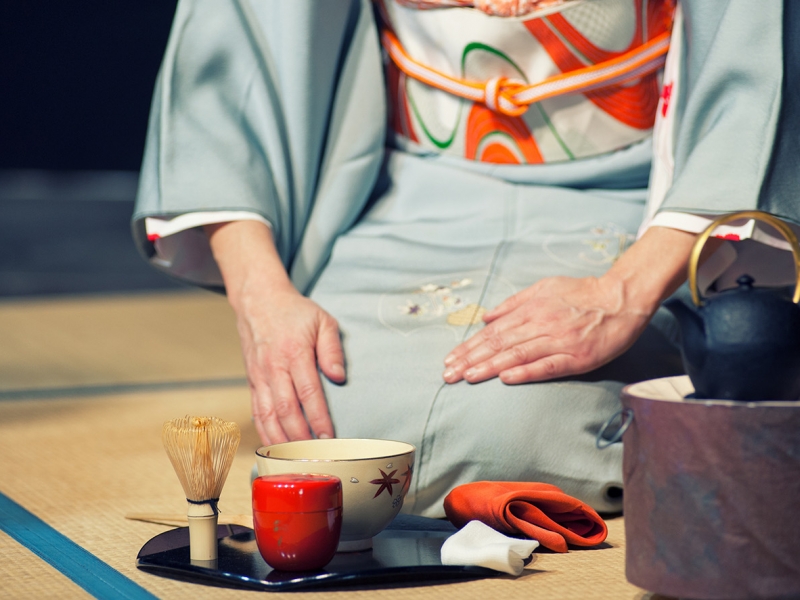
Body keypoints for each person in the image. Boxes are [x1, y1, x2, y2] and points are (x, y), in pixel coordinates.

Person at [133, 0, 797, 517]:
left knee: (517, 432)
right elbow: (235, 46)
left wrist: (625, 291)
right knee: (336, 435)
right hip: (411, 188)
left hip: (642, 199)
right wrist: (262, 298)